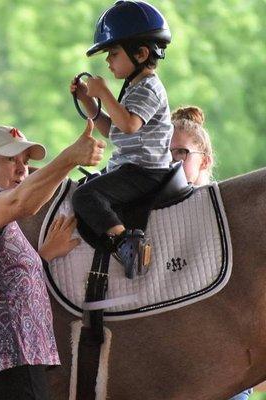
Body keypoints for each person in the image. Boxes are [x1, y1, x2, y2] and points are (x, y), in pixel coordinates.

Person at [0, 122, 105, 400]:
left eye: (24, 160)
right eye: (10, 159)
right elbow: (21, 203)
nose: (21, 168)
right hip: (3, 367)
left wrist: (41, 259)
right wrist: (69, 158)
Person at [70, 0, 173, 278]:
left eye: (113, 53)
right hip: (130, 167)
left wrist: (103, 92)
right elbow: (111, 129)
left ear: (140, 53)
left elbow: (128, 125)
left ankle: (128, 242)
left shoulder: (148, 88)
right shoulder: (133, 87)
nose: (108, 61)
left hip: (144, 171)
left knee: (86, 196)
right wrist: (89, 100)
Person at [171, 105, 253, 400]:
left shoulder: (227, 213)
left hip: (224, 352)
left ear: (204, 161)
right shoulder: (156, 212)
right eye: (167, 152)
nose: (172, 160)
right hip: (177, 356)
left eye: (181, 153)